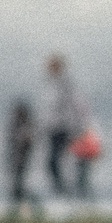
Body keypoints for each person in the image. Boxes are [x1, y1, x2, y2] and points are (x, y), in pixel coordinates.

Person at [43, 55, 89, 205]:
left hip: (65, 128)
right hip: (53, 128)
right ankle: (63, 194)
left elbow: (74, 106)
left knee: (65, 163)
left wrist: (78, 128)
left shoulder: (66, 84)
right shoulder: (48, 84)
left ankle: (71, 197)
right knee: (53, 163)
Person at [4, 100, 41, 222]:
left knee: (19, 188)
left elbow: (28, 143)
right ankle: (20, 212)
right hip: (16, 161)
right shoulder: (16, 126)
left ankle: (27, 210)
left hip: (22, 161)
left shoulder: (26, 126)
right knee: (17, 188)